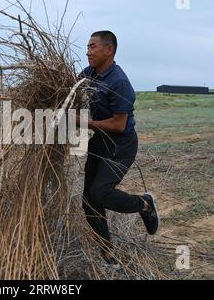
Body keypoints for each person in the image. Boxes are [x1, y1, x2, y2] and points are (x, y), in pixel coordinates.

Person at [78, 31, 159, 263]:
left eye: (93, 47)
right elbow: (71, 88)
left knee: (100, 193)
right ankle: (108, 252)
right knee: (88, 202)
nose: (88, 51)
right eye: (87, 46)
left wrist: (81, 122)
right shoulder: (89, 73)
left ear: (109, 50)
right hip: (99, 142)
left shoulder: (119, 82)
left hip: (121, 145)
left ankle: (144, 204)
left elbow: (119, 123)